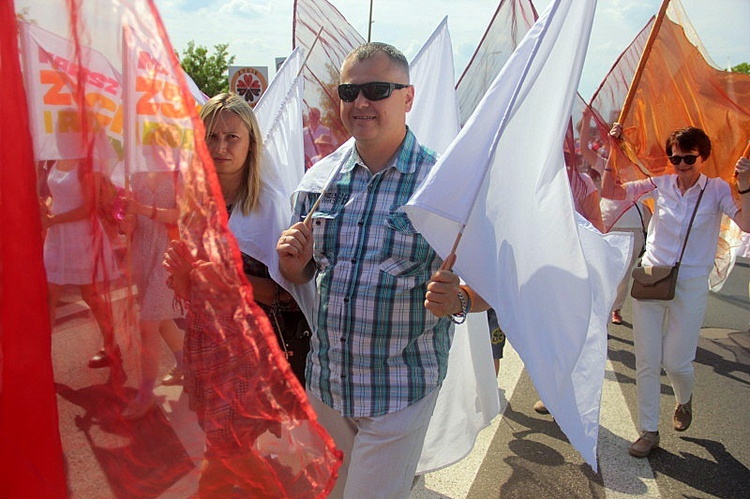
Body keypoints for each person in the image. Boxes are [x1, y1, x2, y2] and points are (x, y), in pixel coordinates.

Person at [276, 42, 488, 498]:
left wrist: (461, 299)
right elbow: (306, 278)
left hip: (398, 389)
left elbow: (496, 283)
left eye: (377, 89)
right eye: (350, 91)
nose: (361, 103)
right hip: (328, 386)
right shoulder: (319, 181)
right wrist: (292, 265)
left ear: (407, 98)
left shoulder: (443, 187)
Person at [165, 93, 312, 495]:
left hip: (252, 349)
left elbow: (290, 296)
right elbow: (194, 286)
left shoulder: (269, 205)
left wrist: (228, 283)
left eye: (232, 137)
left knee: (226, 445)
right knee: (223, 442)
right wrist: (182, 276)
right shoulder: (194, 199)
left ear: (251, 144)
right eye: (211, 137)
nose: (220, 147)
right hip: (205, 340)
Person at [602, 125, 750, 458]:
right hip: (652, 277)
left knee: (677, 362)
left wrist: (746, 185)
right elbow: (613, 192)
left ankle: (684, 400)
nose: (681, 165)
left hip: (691, 282)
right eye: (675, 158)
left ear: (703, 157)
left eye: (688, 158)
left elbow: (747, 224)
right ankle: (648, 430)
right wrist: (614, 147)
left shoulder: (717, 190)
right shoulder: (660, 183)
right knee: (647, 360)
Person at [42, 157, 122, 377]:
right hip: (57, 236)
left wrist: (52, 220)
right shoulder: (56, 158)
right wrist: (46, 209)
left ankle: (111, 347)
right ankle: (43, 358)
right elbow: (58, 195)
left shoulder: (87, 161)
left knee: (92, 296)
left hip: (82, 237)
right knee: (49, 296)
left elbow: (88, 208)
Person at [120, 171, 185, 419]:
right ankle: (184, 364)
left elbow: (180, 215)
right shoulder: (136, 177)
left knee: (148, 324)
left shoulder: (179, 177)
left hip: (167, 256)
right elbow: (132, 219)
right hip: (141, 254)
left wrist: (142, 209)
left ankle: (145, 394)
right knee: (161, 320)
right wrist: (127, 222)